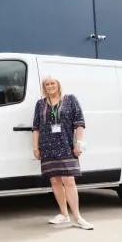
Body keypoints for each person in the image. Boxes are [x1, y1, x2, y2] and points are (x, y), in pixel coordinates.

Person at [32, 75, 94, 230]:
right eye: (46, 84)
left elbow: (79, 123)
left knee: (69, 181)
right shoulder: (40, 104)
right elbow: (36, 128)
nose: (50, 86)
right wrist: (35, 147)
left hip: (66, 146)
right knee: (54, 181)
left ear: (58, 84)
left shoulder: (70, 99)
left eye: (52, 83)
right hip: (47, 147)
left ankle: (78, 217)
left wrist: (79, 143)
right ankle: (64, 214)